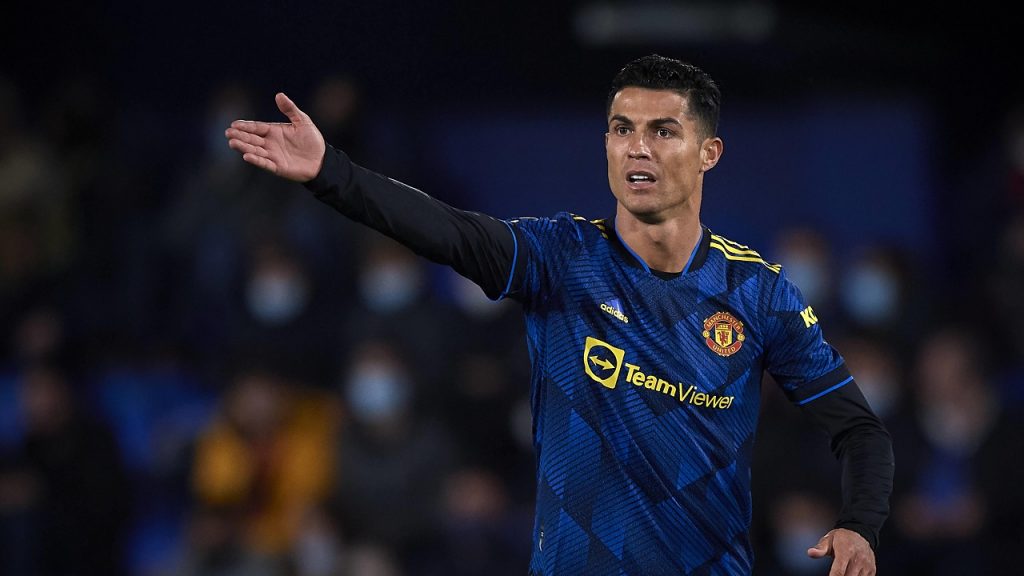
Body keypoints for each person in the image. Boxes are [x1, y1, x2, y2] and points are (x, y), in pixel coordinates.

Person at [225, 54, 894, 575]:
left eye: (663, 131)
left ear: (708, 153)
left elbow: (860, 430)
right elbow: (447, 230)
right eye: (622, 129)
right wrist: (332, 172)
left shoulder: (759, 294)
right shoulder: (561, 257)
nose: (637, 148)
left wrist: (859, 525)